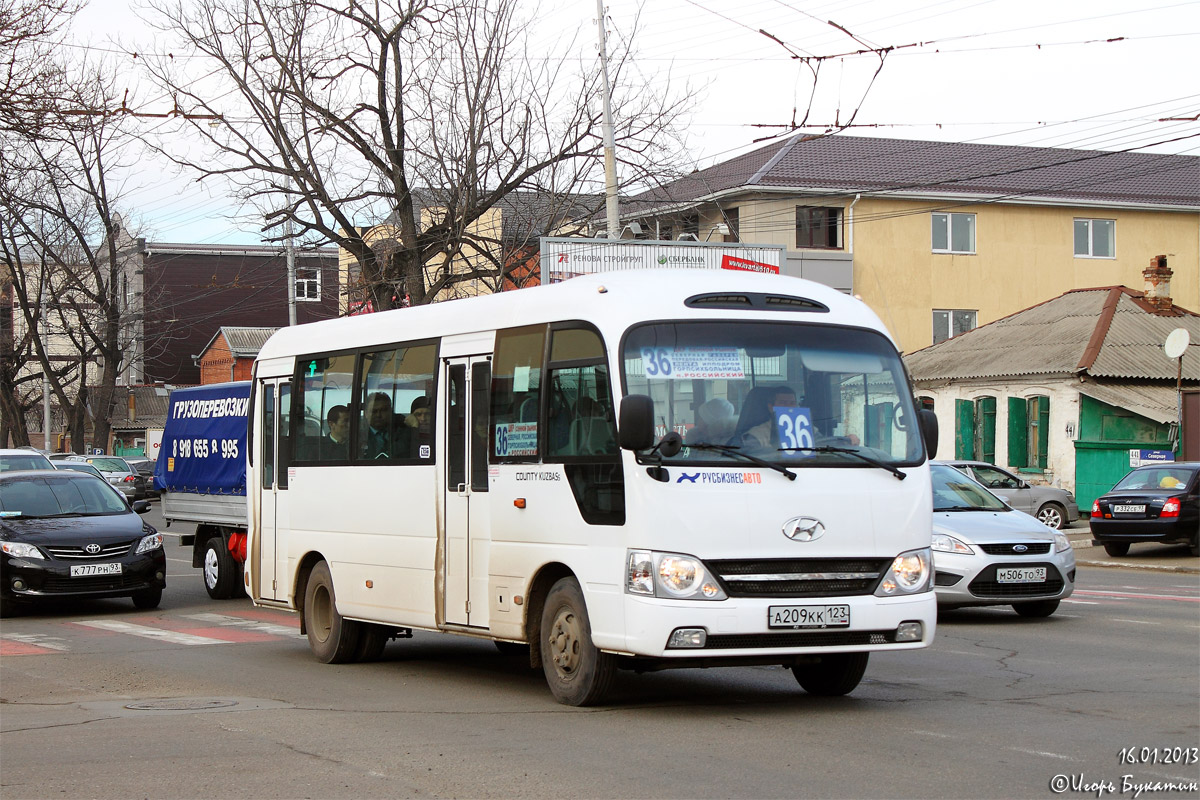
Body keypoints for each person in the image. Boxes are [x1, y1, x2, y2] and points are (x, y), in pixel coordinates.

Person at [732, 386, 796, 452]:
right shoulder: (757, 435)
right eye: (783, 402)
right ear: (771, 407)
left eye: (792, 403)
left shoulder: (803, 430)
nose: (789, 407)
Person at [362, 392, 410, 459]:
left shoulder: (403, 432)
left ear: (390, 411)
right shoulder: (357, 436)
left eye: (383, 410)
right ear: (366, 414)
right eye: (374, 411)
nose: (378, 415)